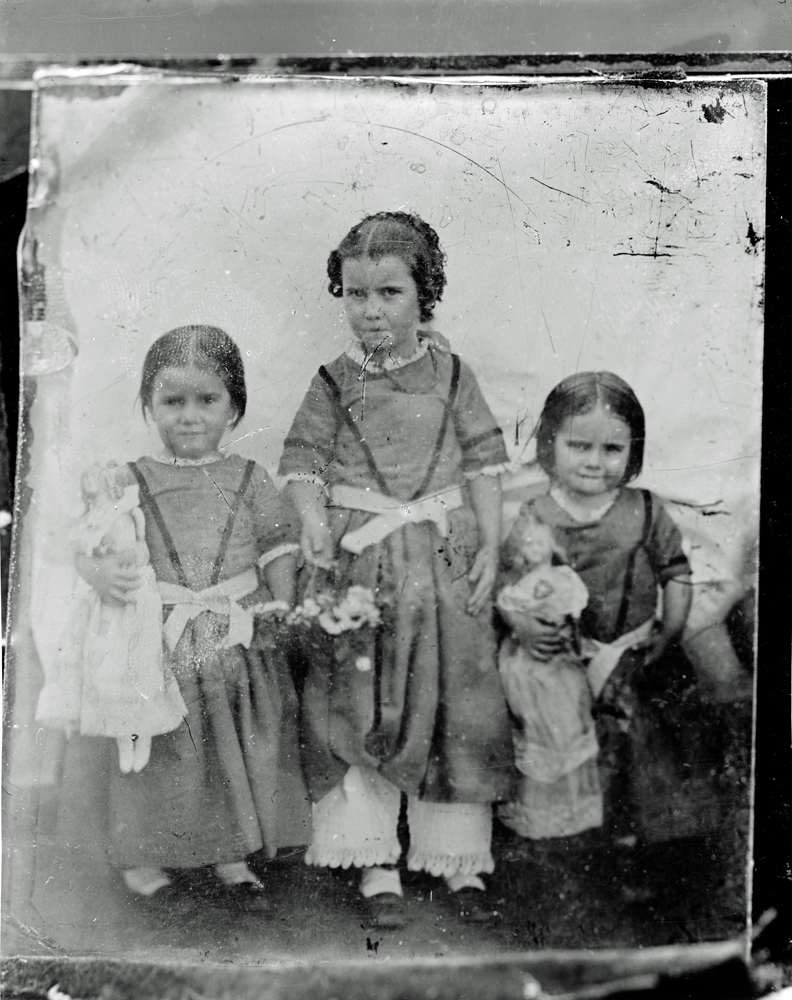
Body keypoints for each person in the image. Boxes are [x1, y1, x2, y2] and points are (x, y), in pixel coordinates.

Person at [279, 211, 515, 928]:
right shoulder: (333, 380)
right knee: (358, 700)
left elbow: (484, 466)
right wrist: (312, 518)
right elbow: (302, 464)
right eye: (356, 294)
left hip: (442, 562)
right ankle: (371, 858)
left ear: (424, 294)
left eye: (390, 293)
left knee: (455, 704)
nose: (372, 310)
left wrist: (491, 548)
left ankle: (456, 855)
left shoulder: (454, 375)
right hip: (362, 562)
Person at [72, 325, 309, 901]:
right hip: (160, 642)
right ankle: (143, 853)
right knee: (164, 750)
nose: (190, 416)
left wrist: (282, 603)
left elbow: (278, 544)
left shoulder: (250, 477)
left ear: (234, 407)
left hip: (233, 636)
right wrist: (97, 570)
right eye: (172, 401)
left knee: (231, 749)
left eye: (208, 400)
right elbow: (87, 541)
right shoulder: (131, 479)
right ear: (149, 405)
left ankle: (230, 851)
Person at [507, 372, 697, 848]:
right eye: (579, 446)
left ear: (633, 451)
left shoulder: (645, 509)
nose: (595, 462)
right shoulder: (537, 513)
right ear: (549, 445)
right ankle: (573, 837)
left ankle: (635, 839)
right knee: (568, 742)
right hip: (563, 657)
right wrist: (524, 625)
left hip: (632, 652)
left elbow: (676, 572)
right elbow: (509, 587)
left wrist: (671, 631)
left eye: (612, 449)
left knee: (641, 741)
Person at [35, 462, 186, 774]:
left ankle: (143, 735)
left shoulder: (130, 511)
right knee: (110, 672)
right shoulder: (95, 518)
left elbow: (141, 546)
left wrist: (133, 558)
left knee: (143, 668)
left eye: (105, 485)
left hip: (138, 593)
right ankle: (122, 739)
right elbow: (74, 545)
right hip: (110, 602)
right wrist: (94, 555)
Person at [496, 507, 602, 840]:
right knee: (541, 731)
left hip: (562, 659)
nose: (537, 548)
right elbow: (508, 604)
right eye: (529, 544)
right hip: (534, 663)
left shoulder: (564, 577)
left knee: (568, 724)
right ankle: (536, 813)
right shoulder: (528, 585)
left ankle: (571, 811)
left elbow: (575, 610)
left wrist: (571, 630)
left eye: (541, 542)